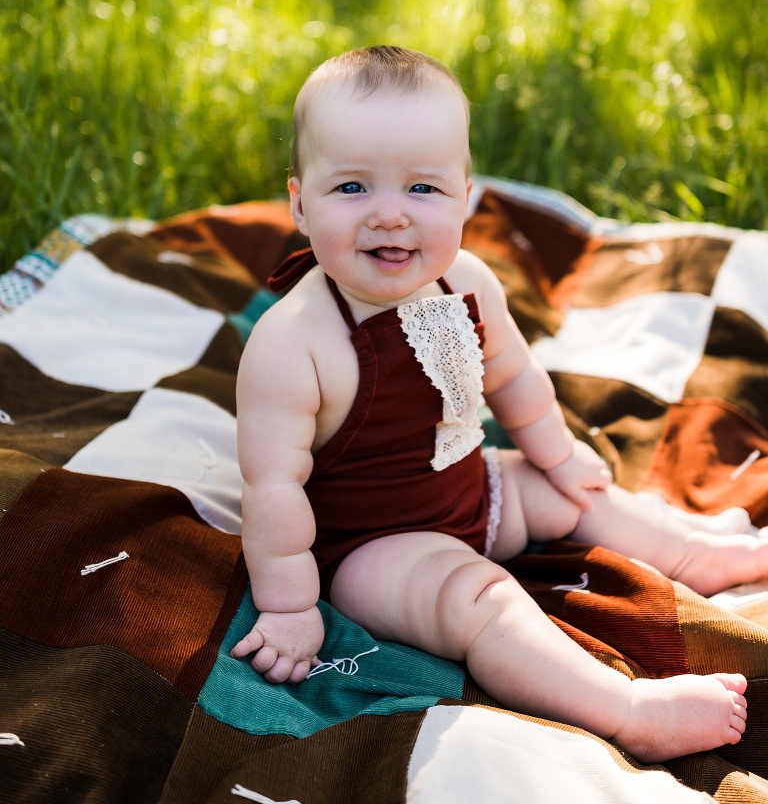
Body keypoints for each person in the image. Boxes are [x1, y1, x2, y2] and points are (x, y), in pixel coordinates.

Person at [231, 45, 766, 763]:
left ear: (465, 196)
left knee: (573, 487)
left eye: (422, 189)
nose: (390, 217)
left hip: (473, 487)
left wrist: (557, 455)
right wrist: (291, 607)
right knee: (482, 600)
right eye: (352, 188)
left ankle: (698, 553)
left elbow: (515, 379)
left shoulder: (469, 283)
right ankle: (626, 708)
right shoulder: (291, 342)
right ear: (300, 203)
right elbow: (271, 489)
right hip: (372, 549)